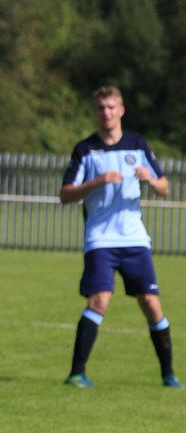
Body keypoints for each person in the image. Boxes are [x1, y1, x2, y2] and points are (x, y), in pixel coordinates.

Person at [59, 85, 178, 389]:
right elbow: (66, 194)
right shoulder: (86, 150)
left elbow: (165, 187)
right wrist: (96, 181)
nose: (106, 113)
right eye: (101, 108)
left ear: (121, 110)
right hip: (100, 239)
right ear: (95, 112)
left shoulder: (138, 146)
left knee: (151, 303)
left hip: (135, 239)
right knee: (99, 300)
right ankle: (77, 373)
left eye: (111, 107)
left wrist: (150, 179)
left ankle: (169, 374)